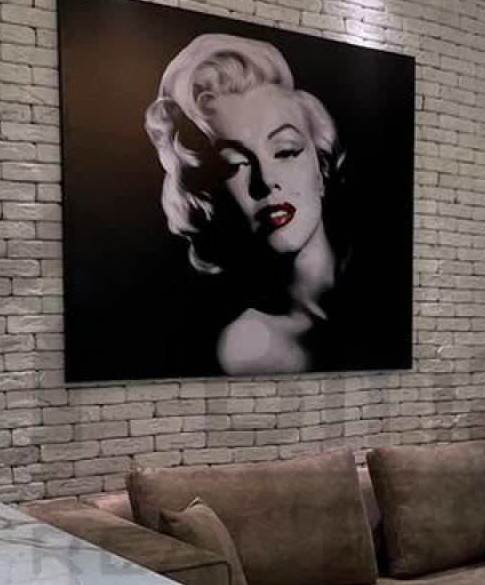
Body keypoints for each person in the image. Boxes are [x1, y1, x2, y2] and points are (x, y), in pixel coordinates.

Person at [143, 33, 356, 374]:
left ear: (323, 165)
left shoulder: (385, 283)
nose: (265, 181)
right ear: (209, 197)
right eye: (234, 165)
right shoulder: (253, 346)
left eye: (285, 151)